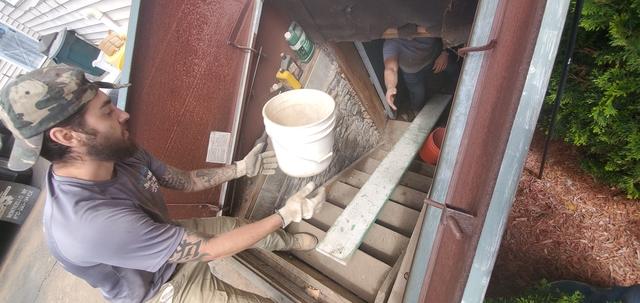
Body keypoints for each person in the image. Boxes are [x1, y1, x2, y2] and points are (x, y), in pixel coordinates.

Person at [0, 65, 325, 303]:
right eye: (106, 111)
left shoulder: (116, 150)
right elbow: (206, 250)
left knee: (236, 226)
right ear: (67, 137)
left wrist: (239, 168)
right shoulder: (88, 224)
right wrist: (284, 214)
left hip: (162, 235)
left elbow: (182, 180)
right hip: (160, 289)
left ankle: (288, 243)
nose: (123, 115)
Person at [383, 36, 455, 114]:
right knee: (418, 95)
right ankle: (416, 110)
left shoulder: (428, 26)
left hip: (435, 58)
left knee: (453, 68)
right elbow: (391, 68)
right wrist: (390, 87)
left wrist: (445, 52)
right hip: (412, 73)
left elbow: (445, 32)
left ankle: (455, 89)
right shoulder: (392, 41)